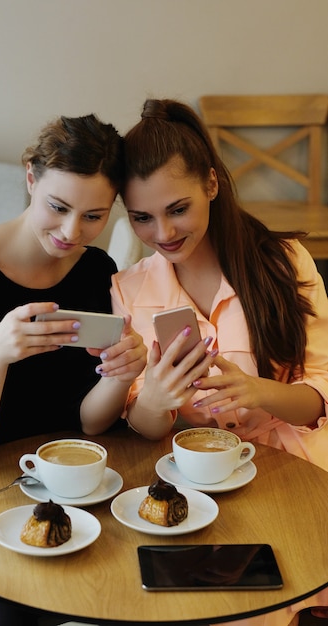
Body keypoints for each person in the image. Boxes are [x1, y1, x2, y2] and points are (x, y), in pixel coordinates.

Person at [0, 112, 147, 625]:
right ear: (30, 178)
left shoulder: (96, 271)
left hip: (40, 484)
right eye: (58, 207)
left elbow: (87, 423)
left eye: (93, 216)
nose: (70, 231)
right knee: (4, 599)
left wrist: (122, 373)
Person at [110, 98, 328, 626]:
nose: (163, 234)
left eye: (177, 208)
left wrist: (262, 393)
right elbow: (136, 419)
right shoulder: (129, 288)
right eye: (142, 217)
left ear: (211, 184)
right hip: (196, 481)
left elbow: (320, 392)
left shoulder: (285, 263)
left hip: (296, 474)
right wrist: (156, 404)